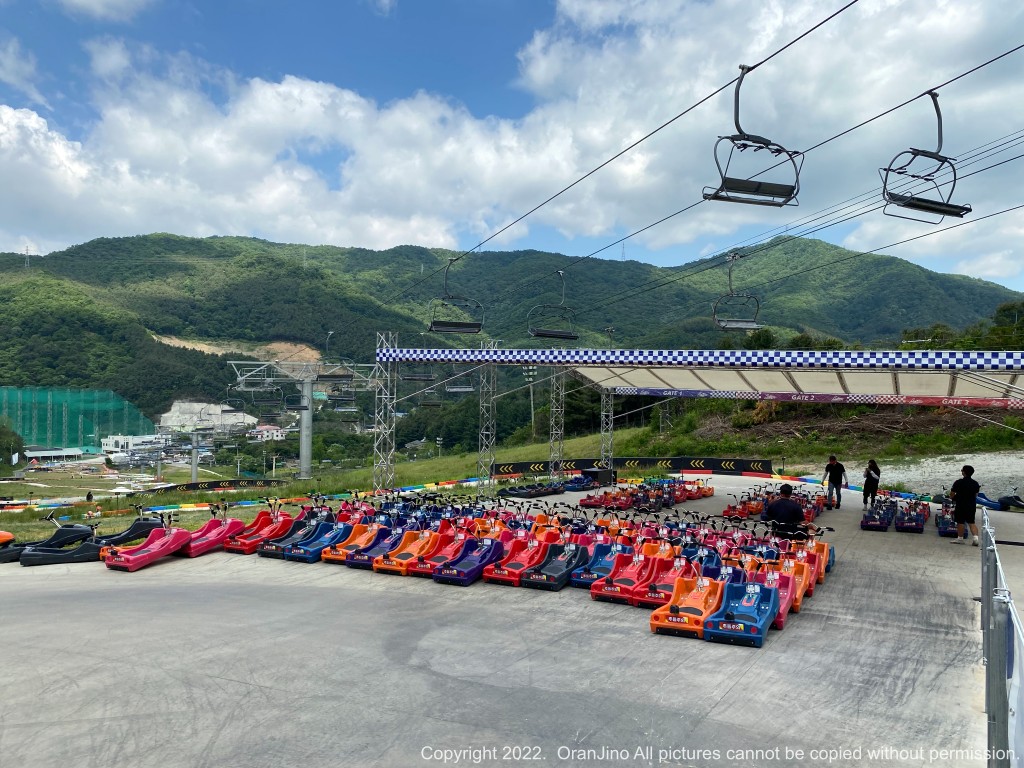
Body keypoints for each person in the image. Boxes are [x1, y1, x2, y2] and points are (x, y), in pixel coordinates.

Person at [949, 464, 981, 546]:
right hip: (971, 505)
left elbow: (952, 494)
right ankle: (975, 538)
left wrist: (954, 498)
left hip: (961, 504)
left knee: (960, 522)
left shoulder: (958, 482)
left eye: (962, 470)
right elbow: (976, 495)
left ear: (964, 472)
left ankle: (960, 539)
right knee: (971, 522)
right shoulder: (975, 483)